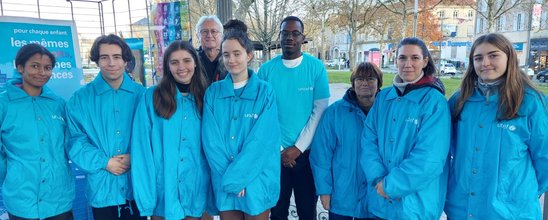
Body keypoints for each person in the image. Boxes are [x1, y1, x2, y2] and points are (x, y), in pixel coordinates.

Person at [444, 33, 547, 219]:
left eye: (493, 55)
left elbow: (545, 159)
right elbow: (447, 148)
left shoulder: (531, 102)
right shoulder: (460, 101)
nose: (485, 63)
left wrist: (518, 193)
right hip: (462, 208)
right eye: (478, 58)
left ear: (509, 57)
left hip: (512, 212)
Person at [360, 37, 450, 219]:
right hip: (379, 201)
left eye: (415, 58)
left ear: (425, 61)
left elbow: (430, 157)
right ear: (396, 60)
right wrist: (378, 179)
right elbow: (368, 142)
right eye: (402, 58)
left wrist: (391, 185)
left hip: (414, 207)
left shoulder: (434, 102)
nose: (408, 64)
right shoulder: (383, 98)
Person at [202, 29, 281, 220]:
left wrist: (238, 178)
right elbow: (211, 142)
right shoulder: (213, 93)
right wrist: (232, 181)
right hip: (224, 180)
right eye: (226, 54)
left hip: (257, 181)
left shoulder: (265, 92)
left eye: (237, 54)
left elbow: (262, 142)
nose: (231, 60)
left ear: (249, 55)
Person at [66, 34, 146, 219]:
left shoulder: (143, 96)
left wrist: (136, 157)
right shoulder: (80, 99)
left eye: (117, 57)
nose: (111, 63)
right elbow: (75, 141)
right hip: (103, 188)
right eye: (104, 57)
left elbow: (153, 136)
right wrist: (104, 162)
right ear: (96, 60)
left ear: (126, 60)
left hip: (138, 185)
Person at [259, 16, 330, 220]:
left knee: (307, 210)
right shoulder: (266, 71)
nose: (289, 37)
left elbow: (320, 110)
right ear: (279, 36)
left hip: (306, 155)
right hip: (274, 154)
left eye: (295, 33)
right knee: (278, 210)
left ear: (303, 38)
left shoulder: (316, 68)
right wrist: (281, 149)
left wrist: (298, 148)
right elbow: (263, 115)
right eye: (285, 33)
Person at [131, 40, 210, 220]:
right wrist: (147, 199)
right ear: (167, 66)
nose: (181, 67)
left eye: (186, 60)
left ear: (196, 62)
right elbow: (142, 149)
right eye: (174, 62)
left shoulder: (207, 97)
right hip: (164, 193)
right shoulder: (151, 97)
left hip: (197, 189)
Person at [0, 43, 75, 220]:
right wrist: (12, 177)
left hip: (59, 199)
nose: (42, 72)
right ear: (20, 67)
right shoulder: (4, 104)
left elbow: (69, 144)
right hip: (22, 200)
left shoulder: (58, 104)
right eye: (35, 66)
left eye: (47, 68)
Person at [310, 62, 382, 220]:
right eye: (359, 79)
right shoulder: (335, 113)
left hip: (377, 197)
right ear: (353, 83)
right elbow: (321, 155)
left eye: (370, 78)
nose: (364, 83)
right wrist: (324, 190)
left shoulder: (388, 113)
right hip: (342, 196)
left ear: (378, 83)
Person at [196, 15, 226, 83]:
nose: (209, 35)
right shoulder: (193, 60)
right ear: (198, 36)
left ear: (222, 35)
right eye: (204, 31)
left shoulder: (228, 59)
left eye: (214, 31)